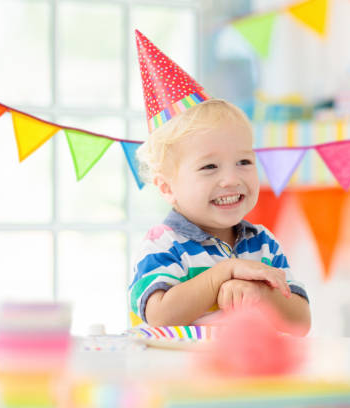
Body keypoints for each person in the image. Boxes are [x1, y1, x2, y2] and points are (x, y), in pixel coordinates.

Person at [128, 30, 310, 335]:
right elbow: (159, 316)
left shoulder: (263, 243)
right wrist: (223, 274)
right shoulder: (163, 244)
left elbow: (301, 323)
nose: (231, 178)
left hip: (248, 374)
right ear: (166, 187)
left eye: (244, 162)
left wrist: (258, 292)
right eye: (209, 166)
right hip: (182, 374)